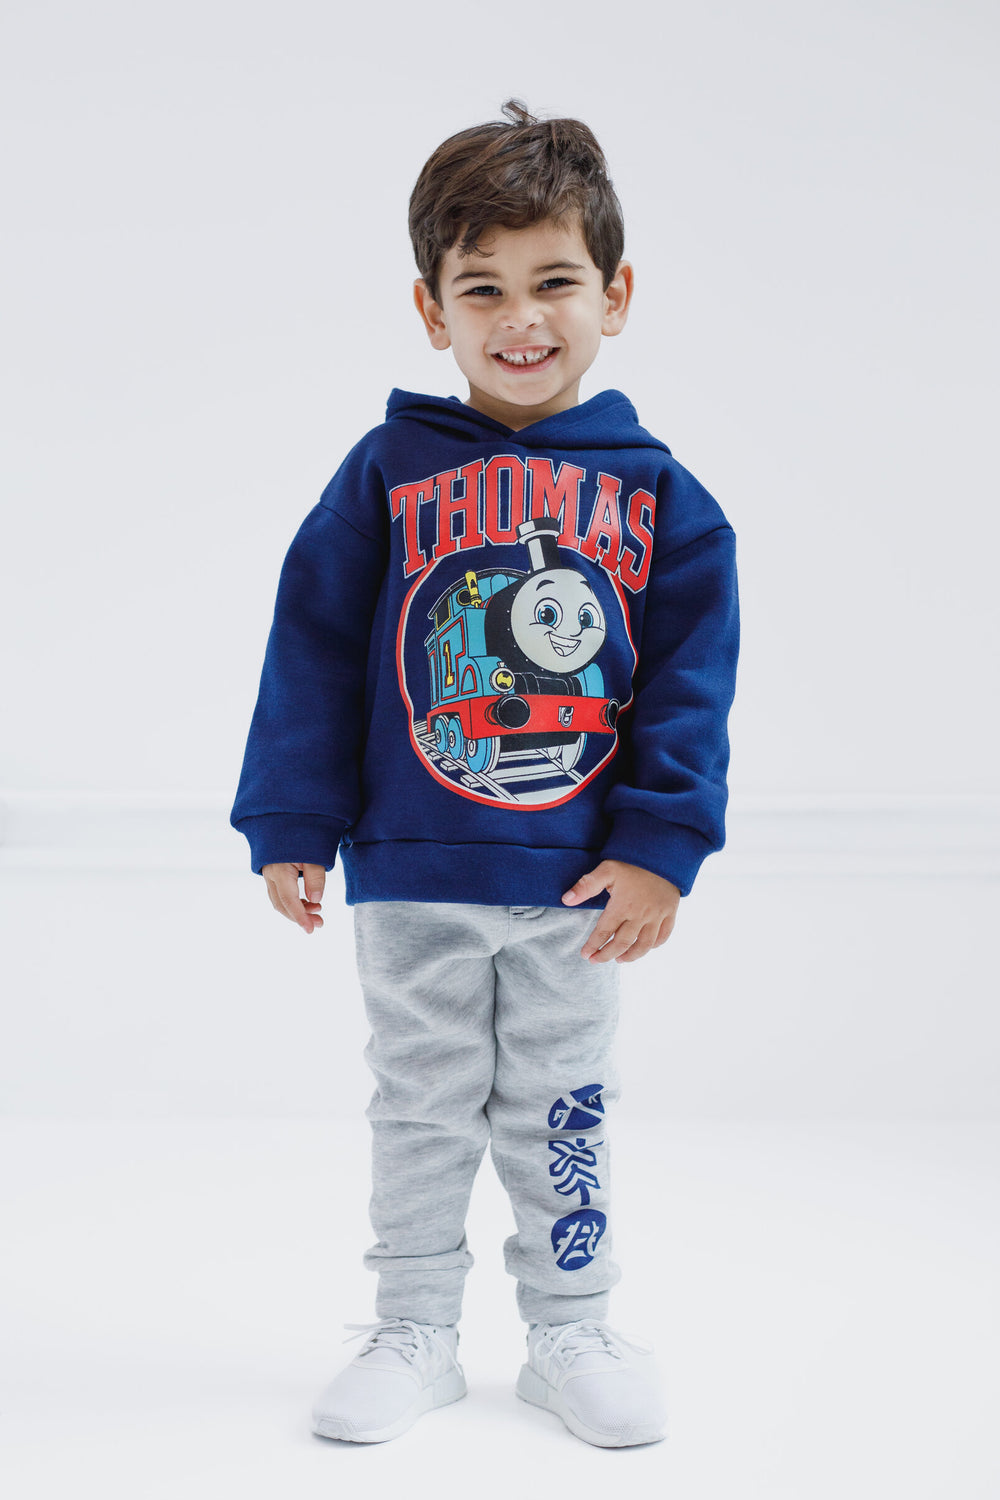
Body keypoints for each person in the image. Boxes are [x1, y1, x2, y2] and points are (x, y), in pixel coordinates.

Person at [230, 99, 739, 1448]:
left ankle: (573, 1327)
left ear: (614, 295)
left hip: (581, 881)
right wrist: (293, 817)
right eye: (483, 288)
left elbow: (690, 687)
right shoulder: (387, 471)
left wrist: (662, 844)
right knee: (420, 1104)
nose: (521, 318)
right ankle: (413, 1327)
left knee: (563, 1105)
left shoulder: (663, 497)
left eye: (554, 281)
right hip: (411, 866)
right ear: (431, 309)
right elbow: (314, 643)